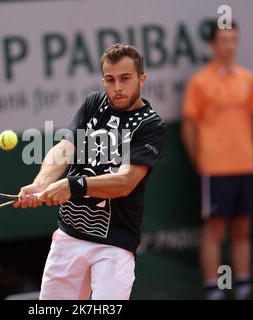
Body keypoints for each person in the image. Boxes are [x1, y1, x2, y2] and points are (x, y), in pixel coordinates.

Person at [14, 43, 167, 300]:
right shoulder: (94, 103)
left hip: (114, 245)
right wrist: (40, 183)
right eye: (110, 79)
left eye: (125, 78)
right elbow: (64, 148)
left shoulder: (151, 125)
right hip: (69, 237)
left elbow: (125, 181)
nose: (117, 87)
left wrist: (72, 186)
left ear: (142, 79)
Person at [182, 20, 253, 300]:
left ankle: (242, 285)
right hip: (215, 168)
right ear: (212, 45)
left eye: (233, 40)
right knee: (215, 229)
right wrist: (202, 161)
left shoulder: (247, 79)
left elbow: (249, 120)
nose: (229, 46)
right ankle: (213, 289)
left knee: (242, 228)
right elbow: (189, 128)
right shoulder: (199, 82)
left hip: (245, 166)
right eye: (224, 40)